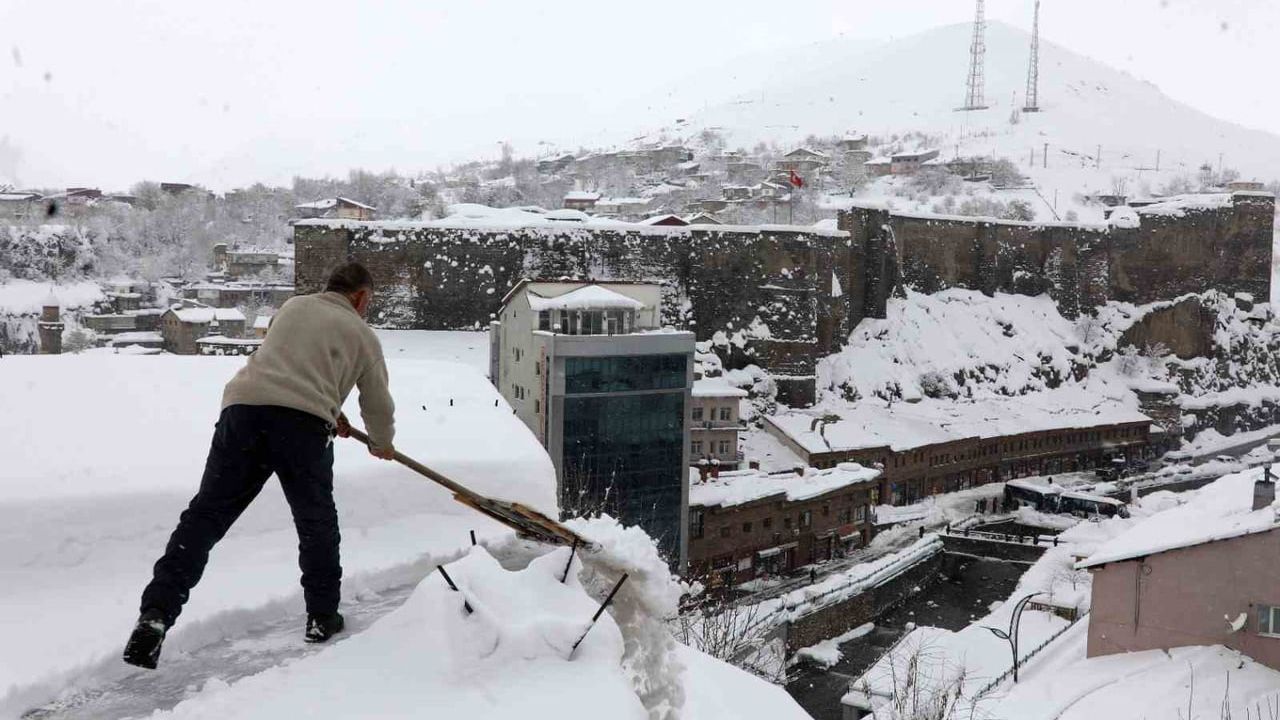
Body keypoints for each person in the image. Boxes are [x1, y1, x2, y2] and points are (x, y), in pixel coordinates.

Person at [122, 262, 396, 669]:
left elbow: (291, 365)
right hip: (302, 430)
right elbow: (377, 404)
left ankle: (156, 614)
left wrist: (329, 407)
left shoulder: (294, 307)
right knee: (316, 523)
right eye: (367, 302)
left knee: (205, 516)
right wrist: (381, 443)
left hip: (244, 412)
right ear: (360, 297)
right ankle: (322, 617)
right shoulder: (362, 335)